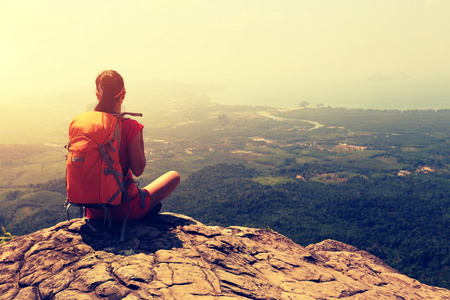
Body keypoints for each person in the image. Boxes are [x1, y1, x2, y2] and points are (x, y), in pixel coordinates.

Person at [86, 70, 180, 222]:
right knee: (174, 176)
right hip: (124, 209)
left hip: (94, 211)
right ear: (123, 95)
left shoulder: (88, 127)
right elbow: (138, 170)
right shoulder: (130, 126)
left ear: (97, 96)